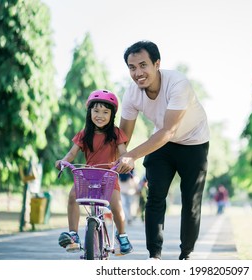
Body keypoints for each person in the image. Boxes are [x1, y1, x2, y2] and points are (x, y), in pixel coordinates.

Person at [116, 41, 210, 260]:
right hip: (163, 144)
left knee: (191, 200)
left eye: (143, 65)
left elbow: (169, 130)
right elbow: (123, 138)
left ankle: (186, 254)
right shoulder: (131, 94)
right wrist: (113, 157)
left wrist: (131, 156)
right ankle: (154, 256)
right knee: (155, 196)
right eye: (132, 68)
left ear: (157, 64)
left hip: (194, 142)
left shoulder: (178, 83)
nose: (138, 73)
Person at [55, 89, 133, 255]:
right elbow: (72, 153)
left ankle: (123, 235)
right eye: (96, 111)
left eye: (105, 112)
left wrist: (126, 159)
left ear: (112, 115)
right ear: (89, 112)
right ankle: (74, 235)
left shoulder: (116, 133)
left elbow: (123, 151)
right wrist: (63, 161)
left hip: (109, 177)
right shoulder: (84, 134)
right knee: (72, 196)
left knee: (117, 206)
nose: (100, 115)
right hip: (88, 177)